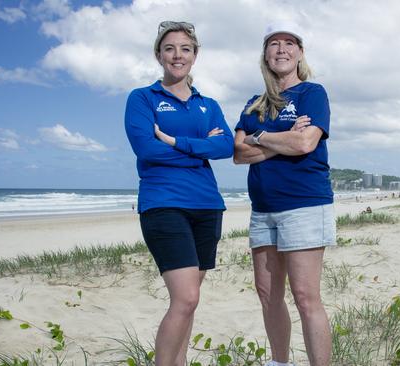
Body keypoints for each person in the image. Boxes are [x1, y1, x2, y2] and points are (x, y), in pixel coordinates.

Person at [124, 21, 233, 366]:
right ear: (159, 54)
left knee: (191, 300)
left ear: (195, 55)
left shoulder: (208, 103)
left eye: (185, 48)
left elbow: (226, 146)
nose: (177, 55)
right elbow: (146, 149)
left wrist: (173, 141)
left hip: (207, 205)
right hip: (163, 203)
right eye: (169, 48)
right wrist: (201, 147)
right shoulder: (143, 98)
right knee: (184, 299)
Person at [233, 22, 335, 366]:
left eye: (289, 44)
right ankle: (280, 363)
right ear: (265, 54)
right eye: (274, 44)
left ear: (300, 53)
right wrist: (280, 138)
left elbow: (305, 142)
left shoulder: (312, 94)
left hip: (304, 205)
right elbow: (238, 154)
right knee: (268, 295)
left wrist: (259, 137)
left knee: (306, 297)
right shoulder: (254, 103)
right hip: (262, 210)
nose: (281, 49)